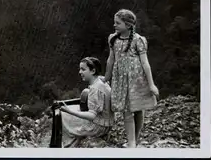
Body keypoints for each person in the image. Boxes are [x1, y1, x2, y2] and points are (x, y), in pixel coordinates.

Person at [104, 9, 159, 148]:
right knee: (127, 111)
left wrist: (151, 85)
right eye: (114, 22)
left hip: (137, 81)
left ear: (128, 25)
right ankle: (131, 143)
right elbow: (110, 60)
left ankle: (136, 138)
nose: (114, 25)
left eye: (118, 23)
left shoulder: (138, 40)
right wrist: (107, 77)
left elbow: (145, 64)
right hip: (121, 81)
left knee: (139, 109)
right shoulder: (113, 39)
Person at [58, 57, 115, 148]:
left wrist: (69, 111)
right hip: (107, 123)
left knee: (61, 115)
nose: (80, 72)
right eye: (80, 69)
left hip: (98, 127)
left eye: (83, 69)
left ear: (93, 71)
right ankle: (74, 140)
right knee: (74, 110)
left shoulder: (95, 88)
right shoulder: (101, 80)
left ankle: (66, 145)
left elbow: (92, 115)